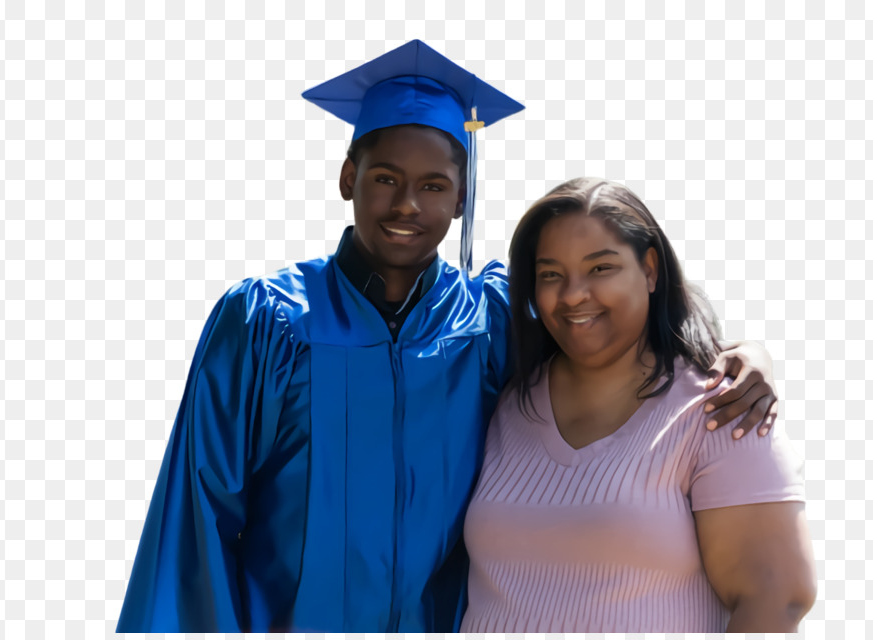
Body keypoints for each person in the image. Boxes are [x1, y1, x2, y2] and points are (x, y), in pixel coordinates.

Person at [116, 42, 780, 633]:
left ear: (461, 197)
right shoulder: (268, 322)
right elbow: (200, 514)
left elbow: (608, 317)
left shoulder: (488, 318)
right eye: (385, 179)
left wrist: (739, 351)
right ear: (349, 178)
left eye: (434, 185)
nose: (408, 205)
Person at [460, 177, 816, 633]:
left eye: (600, 268)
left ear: (650, 269)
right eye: (551, 274)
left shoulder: (719, 407)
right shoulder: (511, 400)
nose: (572, 294)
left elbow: (776, 598)